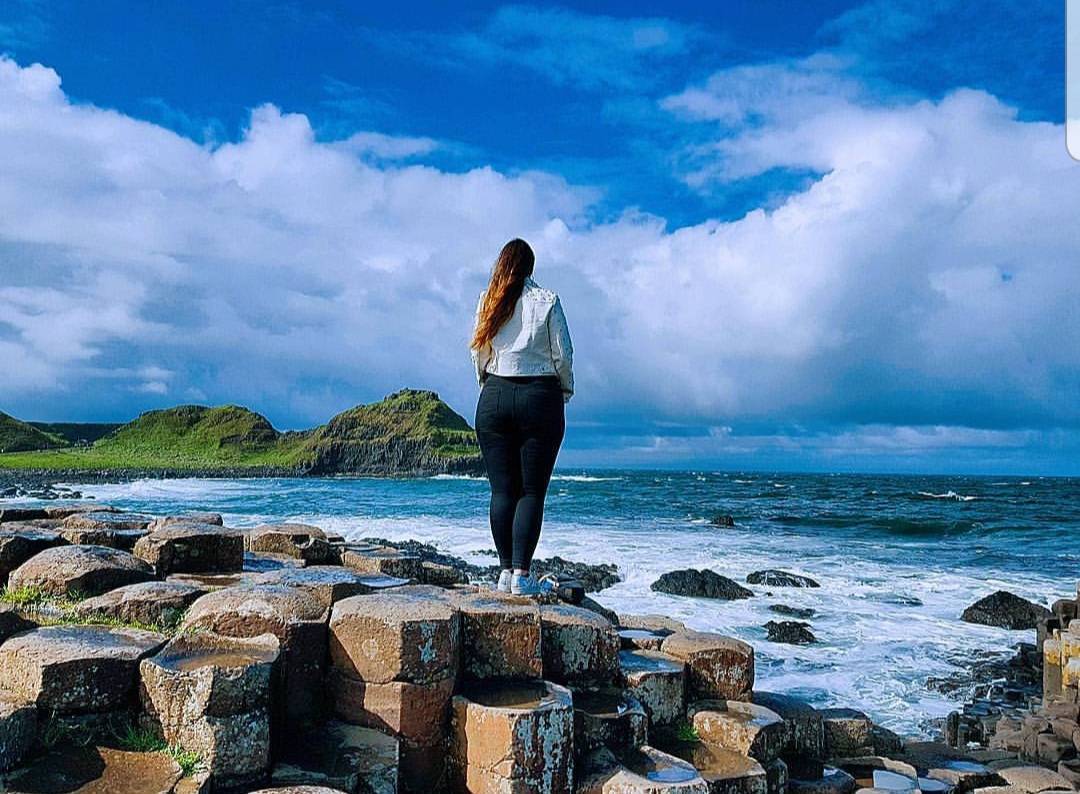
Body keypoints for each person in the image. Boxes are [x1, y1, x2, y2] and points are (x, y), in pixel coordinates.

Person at [469, 238, 573, 596]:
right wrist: (564, 391)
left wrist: (490, 384)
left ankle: (503, 572)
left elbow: (478, 354)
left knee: (501, 490)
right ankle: (521, 575)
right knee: (530, 492)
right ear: (531, 267)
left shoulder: (488, 300)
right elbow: (563, 355)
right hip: (539, 396)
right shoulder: (548, 301)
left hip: (494, 395)